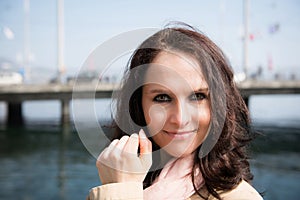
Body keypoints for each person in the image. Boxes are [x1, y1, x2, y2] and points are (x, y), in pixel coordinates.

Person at [87, 23, 263, 200]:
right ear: (138, 105)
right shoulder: (127, 178)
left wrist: (120, 192)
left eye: (197, 96)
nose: (180, 119)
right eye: (162, 98)